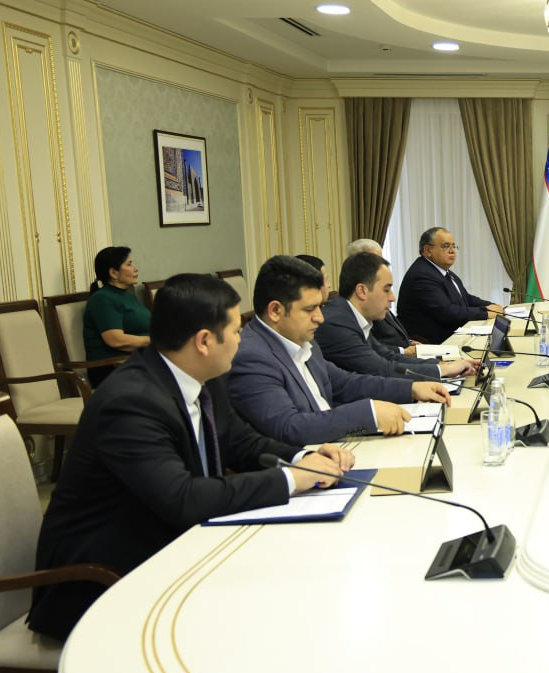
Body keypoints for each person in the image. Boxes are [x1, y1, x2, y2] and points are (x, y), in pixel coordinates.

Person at [28, 273, 354, 640]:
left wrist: (303, 456)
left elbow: (241, 442)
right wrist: (292, 479)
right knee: (269, 617)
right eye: (236, 330)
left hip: (175, 549)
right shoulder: (130, 402)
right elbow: (182, 498)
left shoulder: (204, 376)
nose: (242, 339)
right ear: (203, 341)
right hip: (102, 582)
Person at [229, 256, 451, 446]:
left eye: (320, 306)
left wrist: (411, 389)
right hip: (311, 463)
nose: (320, 317)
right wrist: (369, 413)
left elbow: (345, 383)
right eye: (310, 309)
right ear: (276, 311)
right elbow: (289, 427)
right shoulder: (252, 357)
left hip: (339, 447)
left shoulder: (302, 339)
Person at [315, 251, 477, 380]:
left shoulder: (351, 316)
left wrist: (444, 365)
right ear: (362, 291)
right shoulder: (337, 323)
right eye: (386, 289)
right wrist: (444, 370)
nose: (392, 297)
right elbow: (381, 369)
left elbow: (389, 357)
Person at [396, 227, 503, 344]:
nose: (452, 251)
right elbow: (447, 312)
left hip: (452, 335)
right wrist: (486, 312)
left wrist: (491, 306)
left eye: (453, 246)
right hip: (432, 343)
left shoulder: (443, 272)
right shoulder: (422, 275)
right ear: (428, 250)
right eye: (446, 246)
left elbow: (466, 299)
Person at [83, 245, 152, 387]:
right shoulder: (102, 299)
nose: (135, 268)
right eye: (129, 264)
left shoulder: (128, 295)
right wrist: (155, 341)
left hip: (137, 363)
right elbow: (116, 340)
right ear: (114, 273)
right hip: (112, 370)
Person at [346, 238, 414, 349]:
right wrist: (403, 351)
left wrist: (409, 342)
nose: (392, 298)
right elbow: (373, 348)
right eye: (376, 261)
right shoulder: (361, 301)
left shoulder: (378, 289)